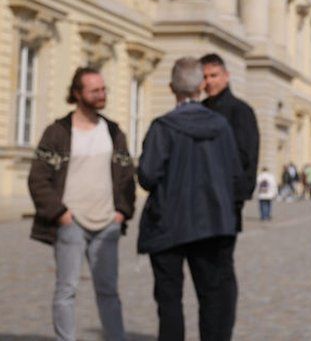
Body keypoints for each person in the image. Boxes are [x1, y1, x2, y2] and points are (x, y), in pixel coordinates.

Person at [138, 57, 243, 341]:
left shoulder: (163, 126)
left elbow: (147, 176)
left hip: (168, 223)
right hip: (212, 222)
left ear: (172, 88)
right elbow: (236, 175)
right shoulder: (221, 126)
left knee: (170, 301)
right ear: (200, 86)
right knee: (213, 299)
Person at [28, 67, 135, 341]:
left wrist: (122, 212)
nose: (102, 95)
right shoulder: (57, 132)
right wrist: (61, 214)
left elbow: (126, 176)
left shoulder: (113, 131)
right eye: (95, 90)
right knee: (66, 290)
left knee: (109, 291)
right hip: (71, 223)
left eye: (103, 89)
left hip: (107, 225)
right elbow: (38, 178)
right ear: (77, 94)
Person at [200, 53, 259, 231]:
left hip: (227, 198)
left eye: (214, 75)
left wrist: (236, 194)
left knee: (219, 257)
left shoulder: (240, 111)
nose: (209, 82)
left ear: (226, 76)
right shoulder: (199, 109)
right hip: (199, 197)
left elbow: (246, 156)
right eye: (204, 77)